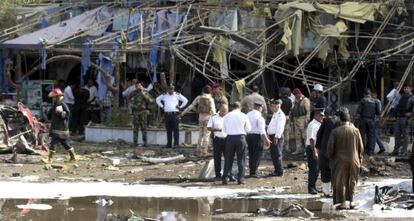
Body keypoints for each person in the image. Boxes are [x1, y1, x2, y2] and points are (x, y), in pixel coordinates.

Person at [327, 107, 364, 210]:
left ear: (340, 120)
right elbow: (361, 147)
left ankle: (343, 203)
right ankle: (351, 202)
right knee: (352, 180)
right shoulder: (356, 130)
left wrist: (330, 158)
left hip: (339, 160)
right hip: (354, 159)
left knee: (340, 181)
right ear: (349, 119)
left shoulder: (335, 131)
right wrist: (360, 158)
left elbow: (330, 149)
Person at [42, 88, 76, 163]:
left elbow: (67, 114)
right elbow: (51, 114)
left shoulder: (62, 104)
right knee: (66, 144)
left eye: (54, 97)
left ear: (58, 97)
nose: (53, 98)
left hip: (59, 129)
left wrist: (61, 113)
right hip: (59, 129)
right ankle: (73, 157)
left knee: (53, 144)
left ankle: (49, 159)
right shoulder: (55, 104)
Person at [180, 86, 216, 156]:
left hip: (200, 118)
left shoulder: (198, 98)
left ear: (203, 91)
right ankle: (204, 151)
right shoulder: (211, 99)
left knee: (200, 134)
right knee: (206, 135)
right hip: (208, 119)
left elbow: (191, 106)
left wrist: (182, 113)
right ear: (210, 91)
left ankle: (198, 150)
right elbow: (214, 112)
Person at [222, 102, 251, 185]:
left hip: (230, 138)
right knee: (241, 159)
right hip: (241, 138)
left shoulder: (227, 116)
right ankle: (240, 179)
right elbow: (248, 129)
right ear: (240, 107)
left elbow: (224, 129)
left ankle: (225, 178)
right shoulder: (244, 115)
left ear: (232, 107)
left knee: (228, 159)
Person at [316, 110, 341, 197]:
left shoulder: (326, 121)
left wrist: (318, 147)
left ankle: (326, 192)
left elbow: (319, 135)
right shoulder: (341, 123)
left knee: (325, 171)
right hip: (337, 152)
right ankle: (335, 192)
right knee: (336, 172)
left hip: (325, 150)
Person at [156, 84, 188, 148]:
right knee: (169, 130)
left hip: (175, 114)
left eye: (172, 89)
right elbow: (157, 99)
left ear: (174, 89)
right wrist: (162, 106)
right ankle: (169, 144)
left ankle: (176, 144)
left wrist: (180, 106)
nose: (171, 90)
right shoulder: (165, 95)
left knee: (176, 130)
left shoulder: (177, 95)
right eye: (170, 89)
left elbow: (185, 100)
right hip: (167, 115)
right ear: (168, 89)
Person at [246, 101, 271, 178]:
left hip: (249, 136)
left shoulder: (248, 114)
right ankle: (254, 172)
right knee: (257, 154)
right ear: (260, 107)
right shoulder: (259, 117)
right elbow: (262, 131)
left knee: (251, 154)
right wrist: (267, 140)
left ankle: (252, 171)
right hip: (257, 137)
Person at [207, 103, 229, 180]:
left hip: (227, 139)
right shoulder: (213, 117)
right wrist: (217, 130)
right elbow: (209, 128)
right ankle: (218, 175)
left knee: (228, 157)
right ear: (219, 109)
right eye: (222, 111)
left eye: (225, 111)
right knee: (217, 158)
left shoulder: (229, 117)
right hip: (217, 139)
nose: (224, 113)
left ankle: (227, 174)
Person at [391, 84, 414, 156]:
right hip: (399, 117)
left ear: (410, 89)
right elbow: (397, 106)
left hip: (406, 118)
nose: (406, 89)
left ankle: (404, 151)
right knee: (397, 134)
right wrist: (394, 114)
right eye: (405, 88)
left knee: (405, 135)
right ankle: (396, 150)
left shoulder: (412, 97)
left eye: (407, 88)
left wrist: (411, 114)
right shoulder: (402, 96)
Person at [129, 82, 154, 147]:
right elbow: (129, 101)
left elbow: (151, 101)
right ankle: (135, 143)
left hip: (143, 112)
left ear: (141, 86)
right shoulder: (133, 93)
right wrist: (132, 108)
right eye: (137, 86)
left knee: (144, 128)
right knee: (135, 128)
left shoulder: (145, 92)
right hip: (136, 112)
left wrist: (143, 93)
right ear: (135, 87)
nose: (138, 87)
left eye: (139, 86)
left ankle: (145, 143)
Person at [356, 89, 380, 155]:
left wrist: (356, 121)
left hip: (363, 119)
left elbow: (359, 111)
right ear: (370, 94)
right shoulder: (374, 101)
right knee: (371, 135)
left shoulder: (363, 100)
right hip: (371, 120)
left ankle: (362, 150)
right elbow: (378, 112)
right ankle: (370, 151)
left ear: (364, 94)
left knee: (362, 135)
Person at [306, 110, 324, 194]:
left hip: (317, 148)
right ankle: (311, 188)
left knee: (317, 169)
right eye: (321, 115)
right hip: (312, 148)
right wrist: (314, 152)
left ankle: (314, 187)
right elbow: (312, 139)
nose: (322, 117)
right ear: (316, 115)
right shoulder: (313, 125)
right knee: (314, 169)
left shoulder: (318, 124)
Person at [267, 99, 287, 177]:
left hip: (277, 136)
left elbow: (280, 127)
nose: (272, 108)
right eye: (272, 106)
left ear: (278, 106)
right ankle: (276, 170)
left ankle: (280, 171)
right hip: (273, 136)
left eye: (274, 106)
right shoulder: (275, 114)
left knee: (277, 154)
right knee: (274, 154)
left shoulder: (280, 115)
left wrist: (276, 137)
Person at [290, 88, 311, 155]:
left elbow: (308, 111)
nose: (295, 96)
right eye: (294, 95)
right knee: (297, 136)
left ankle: (306, 151)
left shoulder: (305, 100)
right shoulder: (295, 101)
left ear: (299, 93)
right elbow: (292, 109)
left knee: (305, 136)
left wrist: (307, 121)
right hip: (296, 120)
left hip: (303, 119)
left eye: (296, 94)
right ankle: (299, 149)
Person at [371, 90, 386, 154]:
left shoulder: (377, 101)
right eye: (372, 95)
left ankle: (373, 149)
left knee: (374, 134)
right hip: (373, 119)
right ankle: (381, 148)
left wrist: (379, 119)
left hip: (375, 120)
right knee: (374, 134)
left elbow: (378, 112)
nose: (372, 96)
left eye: (373, 95)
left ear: (376, 95)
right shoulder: (373, 101)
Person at [279, 87, 293, 152]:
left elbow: (277, 109)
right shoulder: (290, 101)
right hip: (287, 118)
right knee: (287, 133)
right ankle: (286, 148)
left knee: (280, 132)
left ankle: (280, 147)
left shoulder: (280, 101)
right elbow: (291, 110)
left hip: (281, 118)